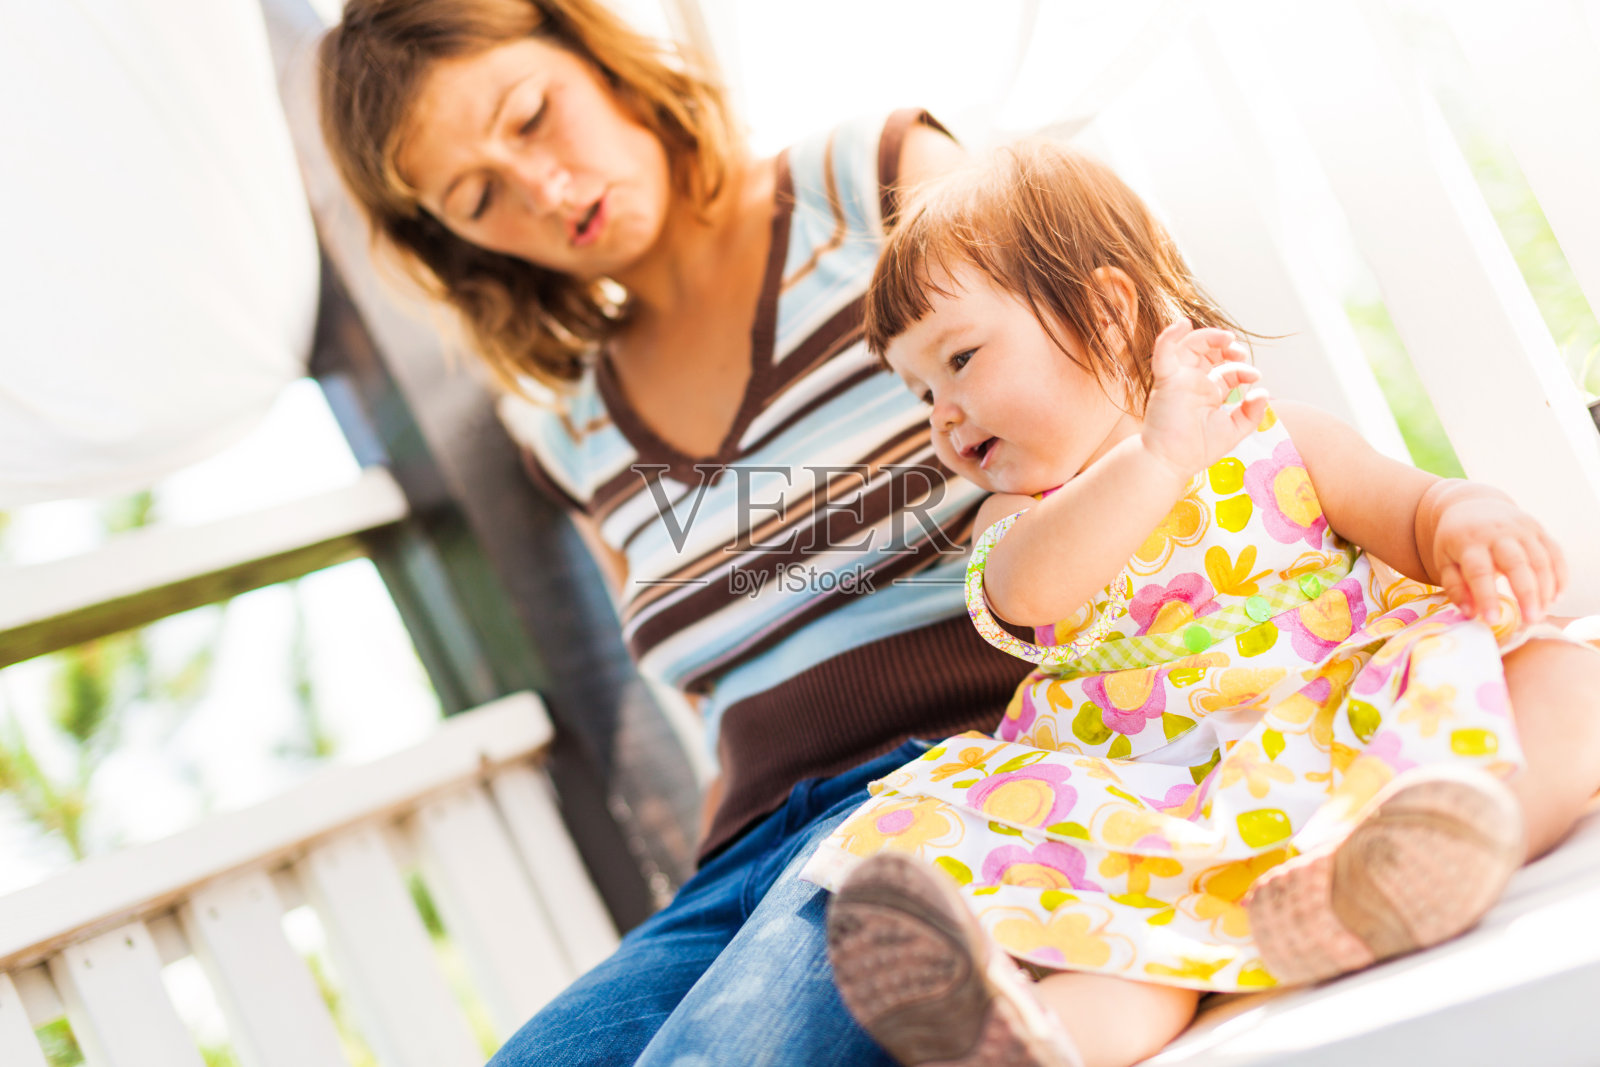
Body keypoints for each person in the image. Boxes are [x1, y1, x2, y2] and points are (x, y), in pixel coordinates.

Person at [317, 1, 1033, 1064]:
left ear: (589, 48)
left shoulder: (871, 181)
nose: (547, 193)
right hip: (748, 853)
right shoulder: (571, 425)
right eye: (478, 197)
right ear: (450, 241)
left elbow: (1107, 418)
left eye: (532, 115)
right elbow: (719, 695)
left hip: (966, 771)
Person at [799, 140, 1600, 1067]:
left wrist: (1469, 517)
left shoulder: (1275, 435)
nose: (942, 411)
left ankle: (1429, 859)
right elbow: (1033, 591)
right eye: (921, 390)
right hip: (1156, 800)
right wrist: (1157, 457)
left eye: (962, 359)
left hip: (1352, 728)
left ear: (1105, 311)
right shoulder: (1020, 514)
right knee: (1126, 946)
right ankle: (1038, 1041)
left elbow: (1410, 509)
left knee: (1566, 677)